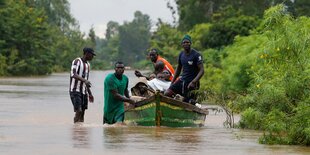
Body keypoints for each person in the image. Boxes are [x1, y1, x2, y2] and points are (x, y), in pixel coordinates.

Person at [164, 34, 204, 104]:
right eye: (184, 42)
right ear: (182, 44)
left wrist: (194, 82)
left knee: (190, 102)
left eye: (187, 42)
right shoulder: (181, 54)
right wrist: (172, 82)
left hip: (192, 83)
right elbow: (178, 68)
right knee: (167, 93)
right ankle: (179, 100)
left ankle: (186, 100)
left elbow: (202, 70)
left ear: (190, 43)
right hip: (182, 80)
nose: (186, 44)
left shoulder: (196, 55)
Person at [69, 47, 95, 123]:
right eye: (92, 55)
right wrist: (84, 80)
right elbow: (73, 74)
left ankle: (81, 131)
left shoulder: (88, 65)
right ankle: (75, 128)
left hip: (84, 92)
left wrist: (90, 94)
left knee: (83, 113)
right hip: (75, 90)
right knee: (79, 111)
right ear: (87, 54)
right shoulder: (77, 61)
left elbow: (86, 80)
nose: (92, 57)